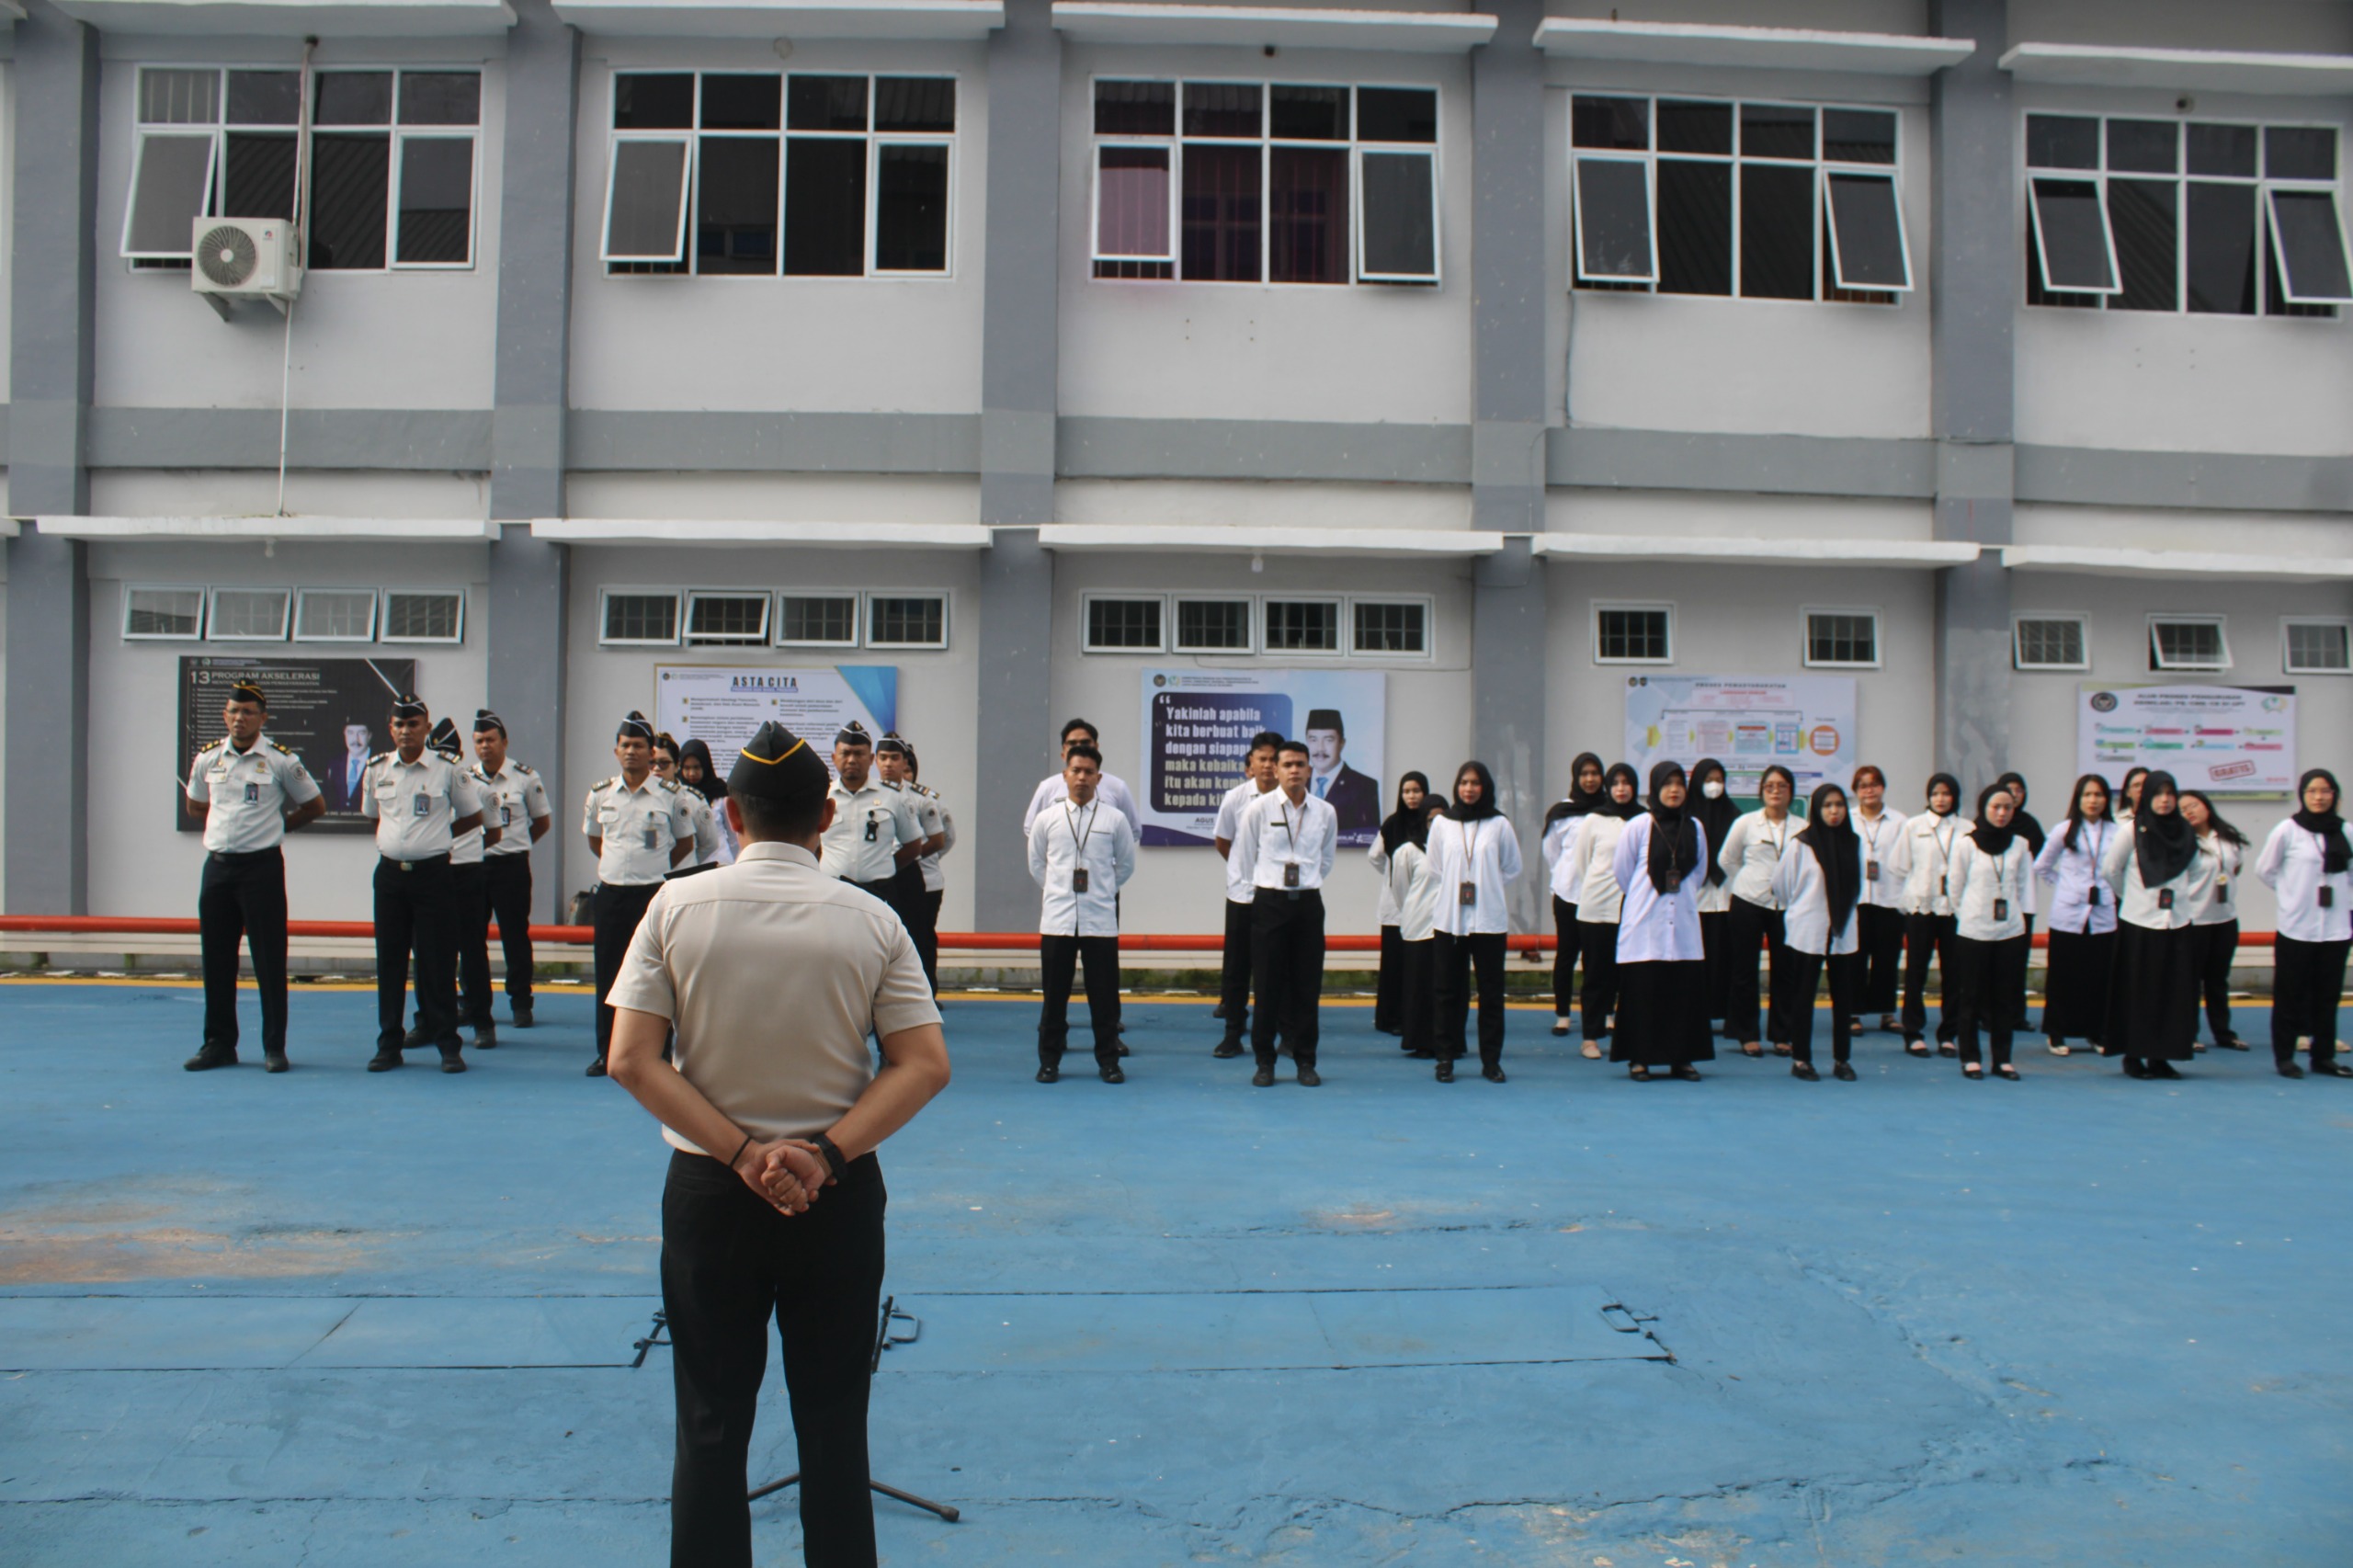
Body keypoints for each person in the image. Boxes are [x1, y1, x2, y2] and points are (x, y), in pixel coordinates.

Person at [602, 719, 950, 1568]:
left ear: (731, 813)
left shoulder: (675, 907)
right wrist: (822, 1156)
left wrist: (740, 1155)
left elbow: (631, 1059)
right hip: (834, 1194)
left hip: (712, 1191)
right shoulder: (872, 919)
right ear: (825, 815)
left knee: (711, 1419)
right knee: (834, 1420)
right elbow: (923, 1063)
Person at [181, 678, 324, 1073]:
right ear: (224, 715)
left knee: (268, 959)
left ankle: (274, 1047)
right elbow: (196, 806)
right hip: (218, 870)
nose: (239, 718)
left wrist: (277, 828)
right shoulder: (208, 758)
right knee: (217, 959)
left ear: (263, 718)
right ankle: (218, 1043)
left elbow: (314, 805)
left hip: (261, 870)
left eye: (247, 712)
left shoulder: (281, 760)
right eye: (233, 711)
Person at [361, 693, 484, 1074]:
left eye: (413, 724)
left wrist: (437, 836)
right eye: (399, 724)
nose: (406, 731)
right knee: (390, 962)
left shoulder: (447, 769)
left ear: (426, 728)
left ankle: (448, 1044)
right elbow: (374, 817)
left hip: (433, 876)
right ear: (390, 729)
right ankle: (389, 1044)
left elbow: (473, 816)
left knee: (438, 961)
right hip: (390, 877)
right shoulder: (377, 769)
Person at [583, 711, 698, 1077]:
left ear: (651, 753)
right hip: (612, 895)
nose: (631, 751)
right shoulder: (600, 794)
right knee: (609, 974)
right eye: (625, 745)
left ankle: (660, 1052)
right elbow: (595, 841)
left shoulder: (670, 796)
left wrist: (654, 868)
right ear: (616, 751)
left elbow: (685, 843)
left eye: (638, 746)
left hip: (652, 896)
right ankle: (607, 1052)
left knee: (657, 976)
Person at [1230, 739, 1339, 1086]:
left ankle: (1305, 1060)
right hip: (1269, 904)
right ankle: (1265, 1062)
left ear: (1310, 770)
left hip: (1308, 904)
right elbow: (1244, 859)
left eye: (1300, 765)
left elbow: (1325, 860)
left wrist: (1303, 882)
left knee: (1307, 986)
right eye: (1287, 765)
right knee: (1267, 986)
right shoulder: (1258, 810)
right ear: (1275, 770)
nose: (1294, 770)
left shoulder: (1325, 811)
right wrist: (1267, 890)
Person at [1028, 743, 1138, 1083]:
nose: (1082, 778)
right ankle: (1049, 1061)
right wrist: (1059, 890)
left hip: (1100, 921)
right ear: (1065, 775)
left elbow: (1125, 865)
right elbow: (1037, 865)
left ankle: (1109, 1062)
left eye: (1089, 772)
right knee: (1054, 998)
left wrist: (1101, 890)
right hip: (1057, 920)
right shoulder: (1047, 819)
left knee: (1104, 998)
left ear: (1098, 778)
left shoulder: (1114, 819)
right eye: (1076, 771)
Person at [2099, 770, 2211, 1079]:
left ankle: (2161, 1057)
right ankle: (2133, 1056)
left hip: (2177, 923)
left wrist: (2181, 898)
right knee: (2139, 993)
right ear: (2146, 796)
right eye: (2158, 794)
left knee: (2172, 995)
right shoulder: (2131, 830)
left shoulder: (2185, 832)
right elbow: (2111, 870)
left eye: (2170, 794)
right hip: (2140, 923)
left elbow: (2197, 870)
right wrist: (2132, 898)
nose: (2164, 800)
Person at [1611, 761, 1711, 1081]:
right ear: (1655, 788)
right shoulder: (1639, 825)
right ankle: (1639, 1059)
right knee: (1643, 993)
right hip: (1645, 924)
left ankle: (1681, 1060)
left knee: (1682, 994)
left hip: (1682, 924)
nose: (1674, 790)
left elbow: (1699, 873)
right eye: (1667, 784)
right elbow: (1623, 872)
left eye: (1679, 784)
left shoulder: (1695, 827)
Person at [1426, 759, 1523, 1084]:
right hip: (1450, 920)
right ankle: (1445, 1058)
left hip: (1489, 921)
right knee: (1446, 992)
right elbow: (1435, 867)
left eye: (1475, 783)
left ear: (1486, 787)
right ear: (1457, 786)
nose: (1469, 789)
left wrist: (1487, 884)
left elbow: (1512, 866)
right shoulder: (1443, 824)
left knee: (1491, 994)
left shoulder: (1499, 824)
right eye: (1464, 783)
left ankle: (1491, 1061)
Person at [2253, 768, 2353, 1079]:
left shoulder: (2346, 831)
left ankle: (2323, 1057)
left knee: (2328, 995)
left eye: (2325, 791)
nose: (2319, 797)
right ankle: (2284, 1057)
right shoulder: (2288, 830)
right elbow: (2265, 870)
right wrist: (2291, 895)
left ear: (2335, 795)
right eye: (2312, 791)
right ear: (2302, 794)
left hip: (2335, 928)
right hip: (2297, 927)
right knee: (2289, 995)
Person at [415, 717, 499, 1052]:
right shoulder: (422, 783)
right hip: (431, 872)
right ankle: (428, 1020)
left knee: (472, 950)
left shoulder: (477, 787)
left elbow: (493, 833)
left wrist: (465, 849)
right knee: (427, 951)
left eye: (447, 754)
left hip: (466, 873)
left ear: (458, 755)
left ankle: (482, 1021)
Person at [1772, 782, 1863, 1082]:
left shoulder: (1853, 842)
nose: (1834, 811)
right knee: (1803, 997)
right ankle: (1801, 1060)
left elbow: (1858, 884)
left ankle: (1842, 1060)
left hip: (1843, 931)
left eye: (1839, 805)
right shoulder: (1802, 844)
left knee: (1843, 1000)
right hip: (1808, 930)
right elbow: (1781, 885)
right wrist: (1805, 909)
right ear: (1817, 809)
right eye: (1827, 805)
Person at [1948, 784, 2034, 1081]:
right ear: (1984, 808)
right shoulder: (1966, 844)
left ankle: (2003, 1059)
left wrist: (2017, 919)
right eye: (1996, 807)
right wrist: (1970, 915)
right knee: (1970, 997)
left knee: (2005, 998)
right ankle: (1970, 1058)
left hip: (2009, 931)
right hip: (1974, 930)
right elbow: (1955, 887)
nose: (2001, 813)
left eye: (2007, 808)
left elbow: (2023, 887)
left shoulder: (2020, 844)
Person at [472, 710, 551, 1029]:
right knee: (471, 938)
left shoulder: (525, 777)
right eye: (479, 741)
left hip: (511, 867)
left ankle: (520, 1002)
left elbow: (541, 822)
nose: (485, 746)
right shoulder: (466, 778)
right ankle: (472, 1001)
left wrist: (517, 844)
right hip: (475, 867)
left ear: (504, 742)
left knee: (515, 936)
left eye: (490, 740)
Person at [2034, 774, 2119, 1057]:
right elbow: (2042, 866)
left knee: (2099, 976)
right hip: (2068, 915)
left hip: (2103, 914)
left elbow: (2124, 868)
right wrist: (2065, 886)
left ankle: (2096, 1032)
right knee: (2064, 976)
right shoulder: (2064, 830)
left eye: (2099, 795)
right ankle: (2057, 1032)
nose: (2093, 800)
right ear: (2078, 799)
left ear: (2106, 799)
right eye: (2087, 795)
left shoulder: (2116, 832)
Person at [1561, 763, 1642, 1059]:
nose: (1621, 788)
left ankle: (1629, 1037)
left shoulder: (1645, 819)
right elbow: (1583, 863)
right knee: (1596, 975)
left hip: (1634, 910)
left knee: (1630, 978)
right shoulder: (1594, 820)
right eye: (1615, 783)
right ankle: (1591, 1038)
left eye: (1626, 782)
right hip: (1596, 908)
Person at [1719, 764, 1799, 1058]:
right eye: (1769, 786)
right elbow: (1727, 859)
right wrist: (1746, 882)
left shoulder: (1802, 827)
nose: (1775, 791)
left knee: (1786, 971)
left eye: (1782, 786)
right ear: (1761, 792)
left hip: (1787, 905)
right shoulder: (1746, 823)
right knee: (1744, 970)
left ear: (1791, 792)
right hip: (1748, 902)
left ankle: (1782, 1034)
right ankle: (1747, 1034)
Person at [1211, 733, 1283, 1056]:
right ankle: (1233, 1032)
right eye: (1262, 759)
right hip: (1242, 895)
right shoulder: (1236, 798)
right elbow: (1223, 841)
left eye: (1273, 759)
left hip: (1278, 896)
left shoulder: (1291, 799)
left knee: (1277, 967)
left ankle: (1281, 1032)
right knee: (1237, 967)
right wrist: (1245, 870)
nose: (1267, 765)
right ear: (1251, 762)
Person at [817, 722, 925, 926]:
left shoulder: (893, 796)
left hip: (879, 892)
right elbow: (811, 843)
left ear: (871, 759)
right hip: (832, 891)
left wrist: (883, 865)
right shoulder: (822, 797)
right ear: (833, 757)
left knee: (880, 943)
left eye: (859, 753)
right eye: (845, 753)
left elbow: (913, 846)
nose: (852, 760)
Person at [1899, 772, 1971, 1058]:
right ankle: (1913, 1033)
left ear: (1955, 797)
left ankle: (1948, 1035)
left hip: (1955, 909)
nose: (1940, 799)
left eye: (1946, 793)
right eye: (1935, 793)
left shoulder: (1967, 828)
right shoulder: (1913, 825)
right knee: (1916, 971)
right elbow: (1900, 865)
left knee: (1954, 973)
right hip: (1921, 907)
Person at [1541, 754, 1608, 1038]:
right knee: (1567, 955)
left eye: (1595, 773)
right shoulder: (1562, 812)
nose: (1590, 779)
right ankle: (1563, 1015)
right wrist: (1568, 875)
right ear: (1576, 777)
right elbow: (1551, 852)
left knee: (1601, 958)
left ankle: (1605, 1014)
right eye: (1584, 774)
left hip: (1602, 895)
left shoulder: (1610, 810)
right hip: (1568, 894)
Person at [2181, 790, 2249, 1052]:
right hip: (2194, 920)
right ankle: (2188, 1034)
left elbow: (2236, 869)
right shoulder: (2181, 842)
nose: (2189, 812)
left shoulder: (2228, 838)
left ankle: (2224, 1033)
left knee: (2218, 980)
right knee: (2190, 982)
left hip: (2225, 919)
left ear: (2207, 807)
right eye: (2183, 809)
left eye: (2194, 805)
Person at [1368, 771, 1431, 1036]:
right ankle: (1390, 1018)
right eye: (1406, 791)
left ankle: (1414, 1017)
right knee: (1393, 963)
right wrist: (1394, 875)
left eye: (1416, 791)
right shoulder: (1393, 823)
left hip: (1424, 905)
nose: (1411, 796)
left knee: (1416, 964)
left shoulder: (1432, 822)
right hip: (1395, 906)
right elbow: (1375, 856)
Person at [1850, 765, 1909, 1040]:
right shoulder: (1848, 819)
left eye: (1874, 784)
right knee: (1855, 959)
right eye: (1863, 785)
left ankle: (1887, 1013)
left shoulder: (1900, 822)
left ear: (1883, 788)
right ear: (1856, 791)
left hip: (1890, 899)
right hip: (1857, 900)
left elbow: (1908, 861)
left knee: (1887, 958)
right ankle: (1853, 1013)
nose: (1869, 790)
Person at [873, 733, 947, 955]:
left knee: (919, 939)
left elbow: (939, 840)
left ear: (905, 762)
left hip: (914, 875)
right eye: (883, 757)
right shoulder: (869, 795)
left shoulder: (920, 797)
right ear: (875, 760)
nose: (888, 764)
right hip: (878, 876)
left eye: (894, 758)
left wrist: (906, 859)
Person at [1386, 796, 1443, 1059]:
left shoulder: (1454, 850)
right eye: (1431, 820)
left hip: (1448, 928)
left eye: (1442, 820)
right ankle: (1420, 1041)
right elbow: (1401, 890)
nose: (1437, 825)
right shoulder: (1408, 852)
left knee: (1447, 988)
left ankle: (1448, 1041)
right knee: (1419, 988)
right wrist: (1416, 910)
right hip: (1419, 928)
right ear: (1423, 821)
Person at [1023, 718, 1142, 838]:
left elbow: (1133, 830)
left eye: (1085, 743)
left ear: (1096, 747)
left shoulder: (1117, 787)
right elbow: (1032, 827)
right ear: (1063, 751)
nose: (1078, 748)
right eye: (1072, 743)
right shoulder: (1048, 787)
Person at [1688, 758, 1740, 1027]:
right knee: (1698, 959)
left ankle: (1727, 1014)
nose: (1714, 786)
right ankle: (1697, 1015)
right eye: (1708, 780)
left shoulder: (1735, 815)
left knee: (1726, 959)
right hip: (1695, 899)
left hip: (1727, 897)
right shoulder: (1685, 817)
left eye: (1719, 780)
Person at [901, 744, 954, 995]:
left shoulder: (927, 800)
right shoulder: (882, 798)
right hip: (892, 881)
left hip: (927, 881)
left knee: (923, 939)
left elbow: (947, 838)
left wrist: (922, 857)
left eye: (908, 770)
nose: (903, 775)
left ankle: (928, 993)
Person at [1302, 708, 1381, 837]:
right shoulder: (1299, 782)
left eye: (1328, 740)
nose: (1320, 748)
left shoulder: (1364, 786)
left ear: (1342, 743)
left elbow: (1369, 837)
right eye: (1313, 739)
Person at [653, 733, 722, 869]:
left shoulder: (693, 800)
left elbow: (710, 844)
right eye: (651, 763)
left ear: (676, 766)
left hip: (680, 875)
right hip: (647, 876)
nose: (656, 768)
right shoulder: (640, 799)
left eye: (664, 763)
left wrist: (688, 864)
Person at [676, 739, 738, 866]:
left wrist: (737, 862)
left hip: (720, 863)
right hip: (687, 865)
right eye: (687, 768)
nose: (692, 773)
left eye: (697, 767)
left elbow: (733, 835)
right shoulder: (676, 794)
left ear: (706, 765)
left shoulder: (720, 793)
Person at [325, 721, 374, 814]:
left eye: (361, 733)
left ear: (369, 736)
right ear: (345, 734)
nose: (355, 739)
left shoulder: (380, 764)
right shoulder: (334, 764)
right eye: (350, 733)